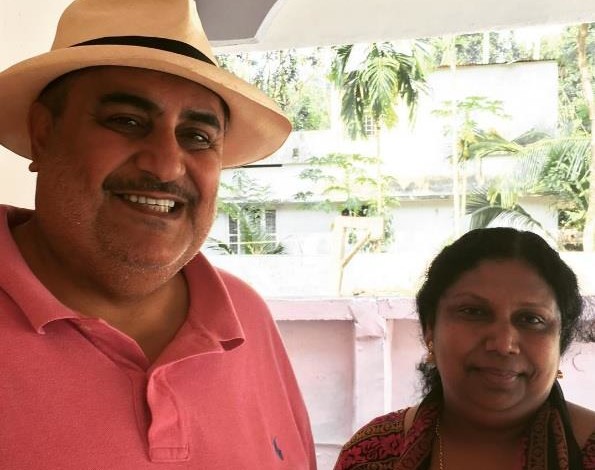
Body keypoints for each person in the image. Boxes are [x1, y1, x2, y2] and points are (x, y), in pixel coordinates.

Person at [0, 0, 316, 468]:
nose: (166, 165)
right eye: (127, 121)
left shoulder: (246, 317)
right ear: (43, 134)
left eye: (198, 137)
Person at [334, 227, 595, 469]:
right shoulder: (368, 456)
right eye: (474, 312)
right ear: (430, 328)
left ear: (560, 341)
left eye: (531, 319)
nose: (503, 344)